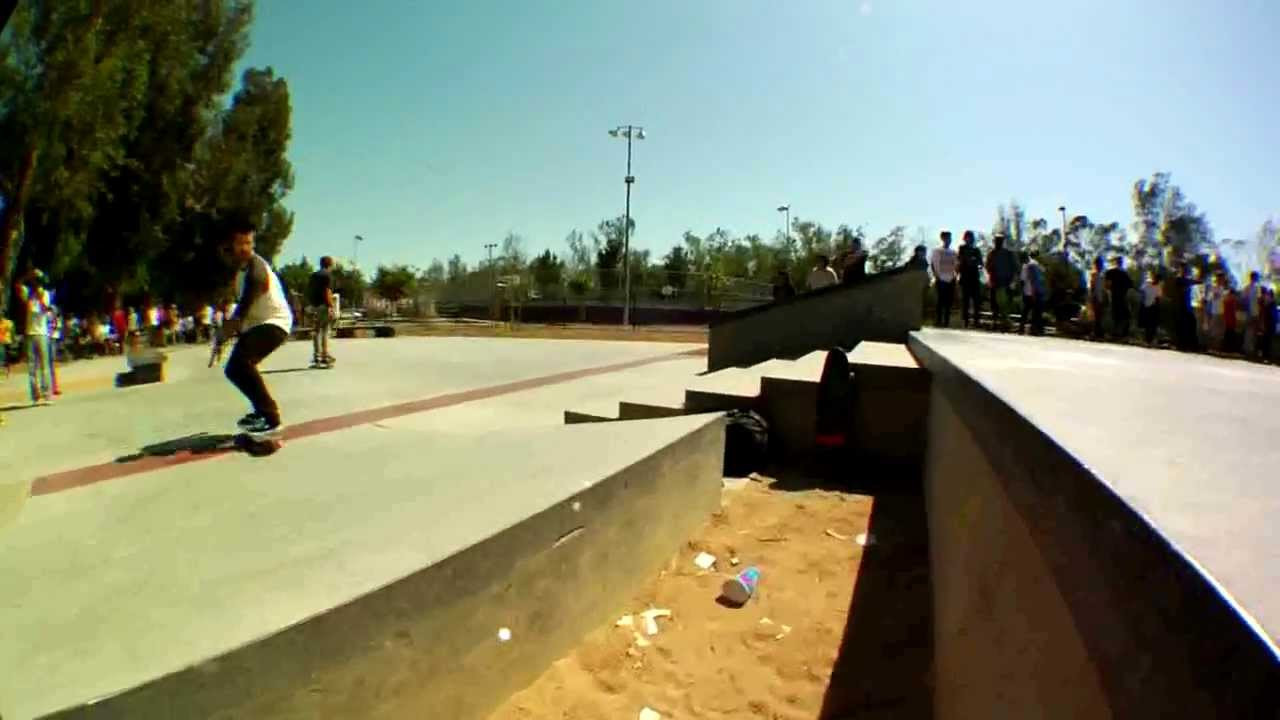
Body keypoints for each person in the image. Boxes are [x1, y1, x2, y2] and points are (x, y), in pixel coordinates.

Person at [220, 218, 294, 434]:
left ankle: (271, 418)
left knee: (240, 365)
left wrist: (229, 328)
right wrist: (231, 332)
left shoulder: (256, 267)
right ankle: (262, 411)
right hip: (259, 325)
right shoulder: (240, 273)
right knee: (235, 369)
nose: (245, 248)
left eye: (249, 243)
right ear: (231, 246)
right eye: (240, 244)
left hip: (275, 323)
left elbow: (247, 303)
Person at [15, 270, 53, 404]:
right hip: (30, 333)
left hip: (42, 333)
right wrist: (27, 275)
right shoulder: (28, 294)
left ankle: (47, 394)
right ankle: (35, 395)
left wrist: (40, 294)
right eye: (34, 281)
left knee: (44, 366)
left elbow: (45, 308)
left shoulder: (45, 294)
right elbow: (18, 285)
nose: (35, 284)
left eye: (37, 281)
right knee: (32, 366)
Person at [308, 256, 338, 367]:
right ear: (330, 264)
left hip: (315, 306)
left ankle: (317, 357)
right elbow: (327, 291)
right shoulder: (327, 275)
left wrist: (310, 305)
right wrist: (330, 306)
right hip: (324, 306)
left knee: (316, 332)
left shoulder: (314, 276)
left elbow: (309, 291)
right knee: (325, 331)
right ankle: (325, 356)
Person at [985, 234, 1018, 331]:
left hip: (1006, 283)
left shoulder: (1009, 254)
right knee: (995, 304)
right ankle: (998, 323)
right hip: (995, 282)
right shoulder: (991, 254)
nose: (997, 242)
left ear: (1002, 242)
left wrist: (1013, 280)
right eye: (996, 241)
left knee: (1004, 304)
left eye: (999, 240)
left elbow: (1015, 268)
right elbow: (987, 267)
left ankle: (1005, 323)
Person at [930, 231, 958, 327]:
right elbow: (933, 264)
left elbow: (956, 265)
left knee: (948, 302)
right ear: (942, 239)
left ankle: (946, 322)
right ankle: (938, 321)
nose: (949, 240)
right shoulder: (937, 251)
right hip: (941, 279)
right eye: (947, 238)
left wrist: (955, 276)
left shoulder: (953, 252)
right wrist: (937, 276)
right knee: (941, 301)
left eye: (950, 238)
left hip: (951, 279)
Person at [957, 230, 983, 329]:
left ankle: (976, 321)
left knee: (976, 300)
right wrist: (971, 260)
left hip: (974, 277)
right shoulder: (962, 248)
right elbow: (961, 259)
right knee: (965, 301)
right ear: (965, 238)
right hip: (965, 277)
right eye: (967, 237)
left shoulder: (977, 250)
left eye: (971, 237)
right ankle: (966, 321)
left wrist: (972, 261)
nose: (969, 239)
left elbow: (980, 263)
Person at [1104, 257, 1134, 340]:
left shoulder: (1110, 272)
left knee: (1115, 315)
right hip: (1122, 297)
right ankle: (1122, 333)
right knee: (1124, 315)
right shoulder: (1124, 274)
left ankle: (1115, 332)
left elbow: (1107, 285)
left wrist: (1108, 294)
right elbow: (1130, 286)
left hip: (1114, 296)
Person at [1019, 253, 1046, 335]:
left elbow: (1024, 280)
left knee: (1026, 311)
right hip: (1037, 291)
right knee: (1036, 312)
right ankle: (1035, 329)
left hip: (1029, 292)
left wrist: (1022, 291)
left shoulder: (1026, 266)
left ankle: (1023, 328)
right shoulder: (1036, 264)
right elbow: (1043, 272)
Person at [1242, 271, 1262, 357]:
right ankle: (1251, 350)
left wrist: (1247, 309)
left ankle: (1247, 348)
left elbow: (1244, 300)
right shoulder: (1257, 288)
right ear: (1255, 278)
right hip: (1255, 312)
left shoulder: (1246, 287)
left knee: (1248, 331)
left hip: (1249, 312)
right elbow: (1259, 300)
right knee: (1253, 331)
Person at [1139, 270, 1161, 345]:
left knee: (1152, 325)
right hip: (1146, 306)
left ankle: (1150, 339)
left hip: (1153, 307)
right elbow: (1142, 294)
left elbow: (1158, 298)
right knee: (1147, 324)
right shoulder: (1146, 285)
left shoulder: (1157, 286)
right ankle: (1146, 340)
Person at [1088, 256, 1107, 339]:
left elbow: (1093, 287)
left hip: (1098, 297)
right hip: (1098, 297)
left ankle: (1097, 333)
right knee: (1097, 317)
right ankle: (1097, 333)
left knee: (1097, 317)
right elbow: (1093, 287)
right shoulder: (1098, 275)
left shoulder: (1096, 275)